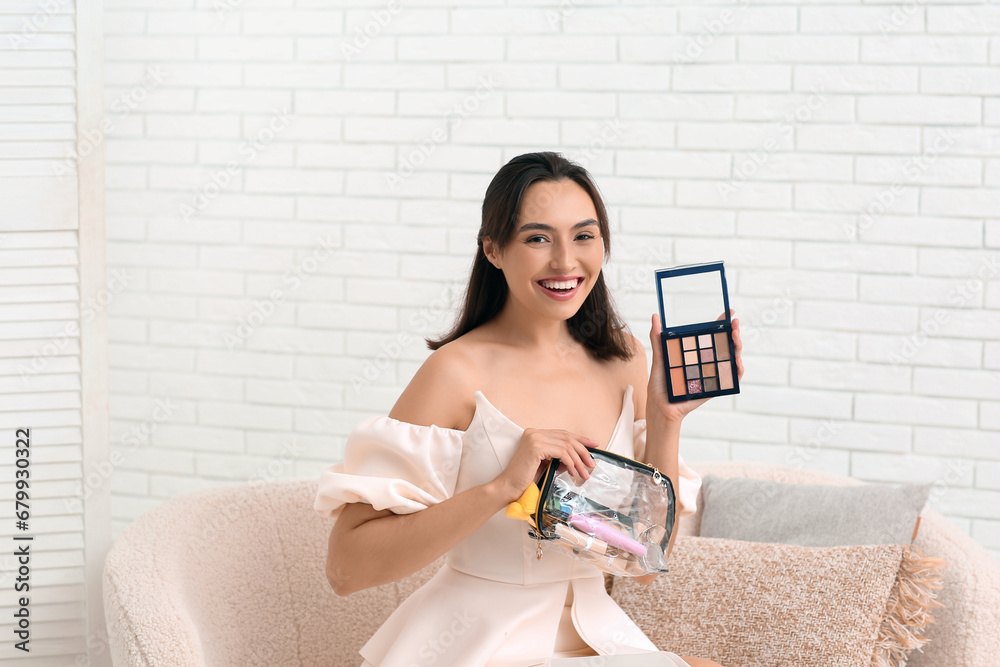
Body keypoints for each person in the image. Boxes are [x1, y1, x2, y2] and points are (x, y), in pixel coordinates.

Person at [315, 152, 741, 667]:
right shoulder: (455, 373)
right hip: (477, 643)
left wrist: (667, 419)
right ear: (493, 250)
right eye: (538, 238)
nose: (565, 262)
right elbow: (346, 568)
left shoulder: (623, 357)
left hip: (596, 636)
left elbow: (646, 563)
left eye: (584, 236)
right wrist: (500, 488)